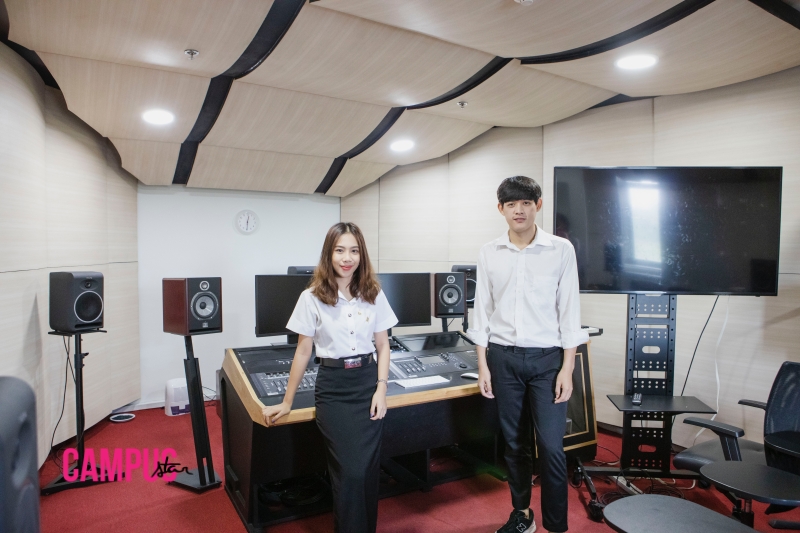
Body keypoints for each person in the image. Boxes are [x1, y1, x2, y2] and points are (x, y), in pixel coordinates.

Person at [468, 176, 588, 533]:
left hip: (547, 361)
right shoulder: (489, 252)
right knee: (514, 444)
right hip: (503, 359)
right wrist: (483, 365)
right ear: (501, 209)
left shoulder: (561, 250)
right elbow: (481, 312)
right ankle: (522, 514)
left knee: (551, 447)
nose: (518, 210)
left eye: (525, 203)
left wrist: (567, 368)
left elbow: (570, 312)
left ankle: (556, 525)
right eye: (511, 204)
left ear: (538, 205)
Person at [261, 222, 397, 533]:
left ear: (361, 255)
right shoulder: (311, 297)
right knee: (349, 474)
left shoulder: (373, 293)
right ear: (329, 254)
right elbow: (303, 351)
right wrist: (287, 401)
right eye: (340, 250)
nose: (347, 258)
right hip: (334, 390)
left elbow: (383, 345)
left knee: (367, 471)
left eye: (354, 251)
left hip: (367, 385)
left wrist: (381, 389)